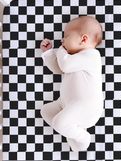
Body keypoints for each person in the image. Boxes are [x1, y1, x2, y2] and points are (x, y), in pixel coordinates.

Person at [40, 16, 104, 152]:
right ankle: (72, 131)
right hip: (67, 104)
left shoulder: (92, 56)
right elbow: (59, 69)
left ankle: (83, 137)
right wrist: (49, 53)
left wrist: (61, 49)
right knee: (45, 111)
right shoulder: (71, 59)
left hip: (86, 107)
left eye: (66, 37)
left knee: (59, 122)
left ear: (83, 39)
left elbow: (65, 65)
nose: (62, 41)